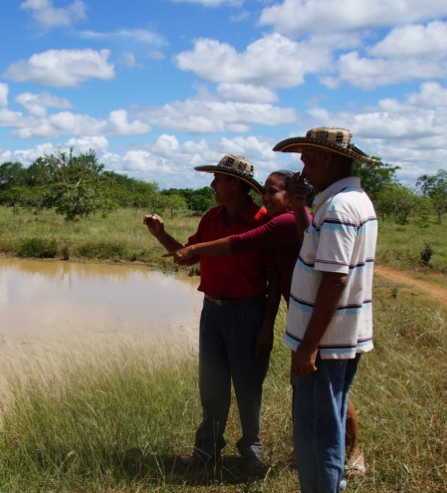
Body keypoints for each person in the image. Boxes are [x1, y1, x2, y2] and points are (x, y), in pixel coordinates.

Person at [166, 170, 367, 477]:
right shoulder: (257, 219)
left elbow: (243, 244)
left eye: (273, 192)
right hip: (298, 311)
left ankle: (350, 452)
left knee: (325, 387)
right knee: (304, 387)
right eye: (265, 192)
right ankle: (305, 452)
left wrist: (196, 249)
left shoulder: (280, 221)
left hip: (316, 313)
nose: (266, 198)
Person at [143, 154, 270, 470]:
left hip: (248, 311)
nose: (213, 184)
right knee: (211, 385)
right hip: (212, 310)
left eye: (219, 179)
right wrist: (160, 233)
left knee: (248, 385)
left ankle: (251, 451)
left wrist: (267, 325)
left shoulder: (262, 220)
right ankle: (207, 449)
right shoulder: (211, 218)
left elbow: (277, 277)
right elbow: (187, 257)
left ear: (237, 185)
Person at [275, 127, 379, 493]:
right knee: (329, 423)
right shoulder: (349, 200)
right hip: (337, 338)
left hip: (326, 343)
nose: (302, 164)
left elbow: (334, 280)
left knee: (316, 434)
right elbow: (314, 248)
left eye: (307, 156)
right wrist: (301, 206)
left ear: (327, 158)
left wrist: (309, 346)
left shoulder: (339, 207)